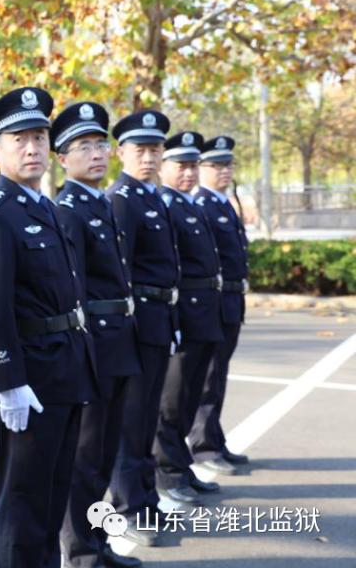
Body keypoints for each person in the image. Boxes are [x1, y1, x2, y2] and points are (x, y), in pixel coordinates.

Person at [0, 86, 98, 568]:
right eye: (19, 139)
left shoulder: (45, 207)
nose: (32, 149)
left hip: (65, 368)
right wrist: (9, 383)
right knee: (23, 501)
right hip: (32, 378)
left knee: (52, 493)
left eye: (40, 138)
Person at [52, 103, 142, 568]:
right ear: (62, 159)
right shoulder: (67, 210)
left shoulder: (101, 203)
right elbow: (76, 289)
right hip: (95, 346)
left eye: (99, 144)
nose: (95, 154)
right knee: (86, 456)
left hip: (119, 341)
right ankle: (81, 549)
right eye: (82, 147)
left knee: (105, 453)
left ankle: (98, 540)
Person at [106, 110, 179, 547]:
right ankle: (129, 506)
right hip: (137, 322)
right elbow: (122, 271)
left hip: (159, 319)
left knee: (147, 415)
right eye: (141, 150)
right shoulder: (122, 199)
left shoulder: (151, 196)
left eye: (155, 149)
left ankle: (147, 498)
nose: (150, 157)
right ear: (122, 153)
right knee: (131, 421)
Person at [152, 131, 224, 505]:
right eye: (181, 165)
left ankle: (180, 464)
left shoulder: (188, 204)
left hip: (202, 311)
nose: (189, 172)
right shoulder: (165, 204)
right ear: (164, 167)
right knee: (172, 399)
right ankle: (167, 472)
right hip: (182, 310)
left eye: (194, 164)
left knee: (191, 392)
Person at [187, 136, 251, 473]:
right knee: (208, 378)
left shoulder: (223, 203)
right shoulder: (202, 204)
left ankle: (215, 439)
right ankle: (203, 446)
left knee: (219, 375)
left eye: (228, 164)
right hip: (214, 300)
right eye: (216, 165)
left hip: (230, 300)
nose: (224, 171)